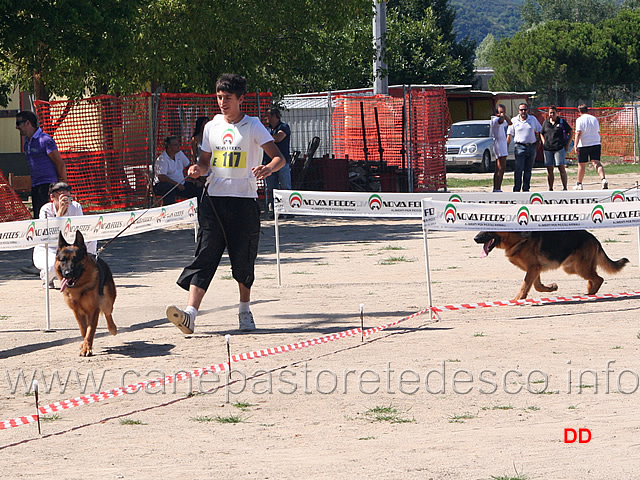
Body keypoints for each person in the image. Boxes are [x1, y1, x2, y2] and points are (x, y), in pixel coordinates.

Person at [166, 73, 284, 334]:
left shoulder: (253, 126)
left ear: (240, 99)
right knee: (205, 254)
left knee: (243, 259)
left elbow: (279, 159)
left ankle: (244, 310)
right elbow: (206, 162)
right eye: (219, 97)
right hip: (213, 201)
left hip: (244, 202)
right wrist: (198, 169)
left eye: (227, 98)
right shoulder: (211, 127)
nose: (222, 102)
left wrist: (267, 168)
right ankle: (190, 315)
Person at [16, 110, 67, 275]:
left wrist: (63, 187)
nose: (17, 127)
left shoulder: (45, 140)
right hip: (37, 187)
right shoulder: (27, 142)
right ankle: (40, 262)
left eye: (19, 123)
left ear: (28, 123)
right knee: (39, 224)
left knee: (50, 224)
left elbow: (59, 163)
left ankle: (58, 260)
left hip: (48, 186)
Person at [33, 182, 97, 289]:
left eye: (67, 195)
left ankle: (89, 267)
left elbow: (80, 228)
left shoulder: (76, 206)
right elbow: (50, 232)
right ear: (52, 197)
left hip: (69, 245)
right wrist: (60, 212)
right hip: (49, 247)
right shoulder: (46, 209)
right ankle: (46, 278)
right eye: (61, 195)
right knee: (51, 268)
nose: (65, 199)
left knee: (92, 239)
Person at [153, 136, 202, 205]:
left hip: (181, 183)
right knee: (169, 189)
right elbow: (162, 177)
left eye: (178, 144)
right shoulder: (162, 159)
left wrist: (195, 179)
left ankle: (199, 211)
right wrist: (176, 185)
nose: (178, 146)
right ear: (169, 147)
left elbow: (188, 166)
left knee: (198, 188)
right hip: (163, 185)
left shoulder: (179, 154)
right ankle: (170, 212)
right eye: (176, 145)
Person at [262, 108, 292, 213]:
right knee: (272, 189)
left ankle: (288, 211)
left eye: (268, 116)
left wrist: (265, 139)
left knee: (286, 187)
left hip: (282, 163)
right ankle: (276, 211)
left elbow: (279, 137)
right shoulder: (266, 129)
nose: (266, 118)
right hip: (268, 163)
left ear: (275, 116)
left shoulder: (283, 127)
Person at [506, 103, 542, 192]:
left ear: (527, 110)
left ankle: (526, 188)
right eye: (521, 110)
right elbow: (509, 135)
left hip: (531, 146)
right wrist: (506, 147)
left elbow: (540, 130)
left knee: (528, 170)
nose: (523, 112)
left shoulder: (532, 119)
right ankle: (517, 188)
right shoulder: (514, 120)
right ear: (518, 111)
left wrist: (539, 142)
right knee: (518, 169)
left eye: (525, 110)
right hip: (519, 147)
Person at [573, 104, 607, 190]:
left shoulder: (579, 120)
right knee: (597, 163)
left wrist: (575, 145)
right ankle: (603, 179)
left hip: (584, 144)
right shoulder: (594, 119)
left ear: (579, 111)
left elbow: (578, 133)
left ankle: (579, 183)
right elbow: (597, 130)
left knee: (581, 165)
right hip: (595, 143)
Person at [540, 105, 572, 191]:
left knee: (561, 167)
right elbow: (541, 133)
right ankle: (550, 188)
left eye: (553, 113)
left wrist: (567, 144)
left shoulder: (561, 122)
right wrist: (544, 142)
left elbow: (570, 131)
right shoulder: (545, 123)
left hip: (559, 148)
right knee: (549, 169)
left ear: (557, 113)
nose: (552, 114)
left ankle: (565, 187)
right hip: (548, 149)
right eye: (550, 113)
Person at [490, 104, 511, 192]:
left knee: (502, 167)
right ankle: (496, 187)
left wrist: (504, 115)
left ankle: (498, 187)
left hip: (503, 143)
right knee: (500, 166)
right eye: (501, 111)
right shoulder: (495, 120)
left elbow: (510, 123)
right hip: (498, 143)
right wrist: (502, 116)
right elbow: (501, 120)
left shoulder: (501, 119)